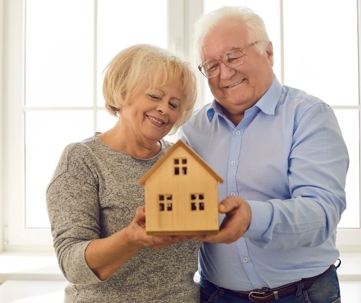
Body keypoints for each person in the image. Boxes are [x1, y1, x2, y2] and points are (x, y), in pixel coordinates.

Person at [178, 6, 349, 303]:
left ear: (268, 52)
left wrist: (252, 218)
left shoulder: (308, 116)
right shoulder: (192, 131)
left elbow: (322, 213)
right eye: (211, 65)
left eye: (233, 56)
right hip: (216, 295)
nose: (225, 73)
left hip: (302, 295)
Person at [46, 44, 200, 303]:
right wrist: (131, 237)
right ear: (123, 92)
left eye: (174, 104)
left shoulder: (182, 161)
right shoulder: (82, 160)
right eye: (154, 96)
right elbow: (72, 264)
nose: (165, 109)